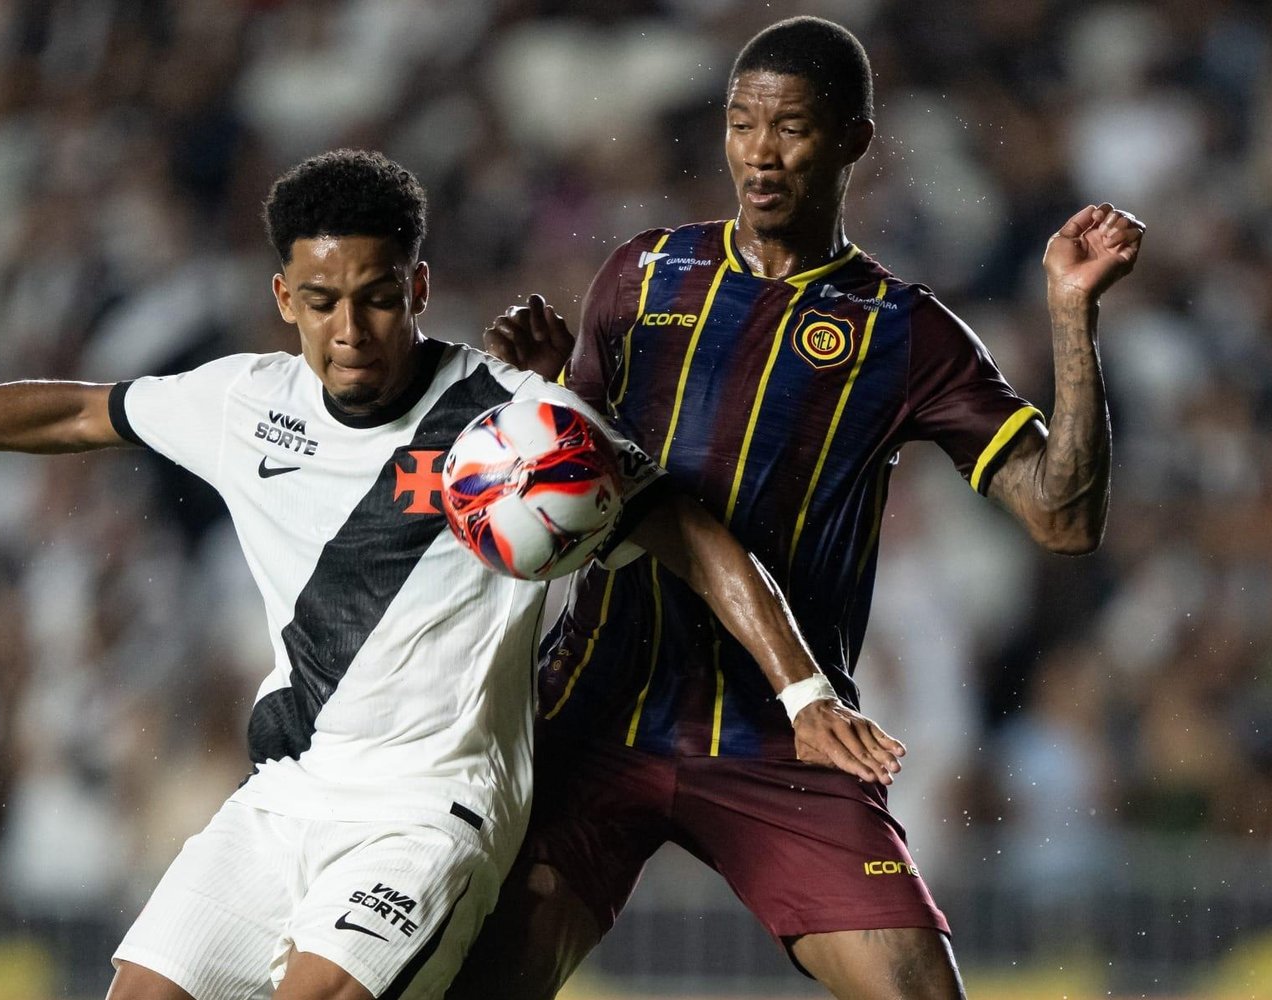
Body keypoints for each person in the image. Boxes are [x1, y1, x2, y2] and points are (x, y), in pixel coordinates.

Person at [0, 149, 906, 1000]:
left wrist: (804, 691)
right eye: (321, 302)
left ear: (418, 288)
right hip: (286, 798)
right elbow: (75, 412)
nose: (349, 327)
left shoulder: (517, 427)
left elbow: (691, 534)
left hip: (432, 811)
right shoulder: (243, 401)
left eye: (375, 295)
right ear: (285, 299)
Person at [453, 16, 1145, 1000]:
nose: (761, 154)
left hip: (784, 738)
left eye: (791, 127)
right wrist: (547, 394)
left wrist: (1073, 318)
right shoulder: (640, 275)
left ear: (853, 139)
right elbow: (588, 490)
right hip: (599, 714)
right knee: (478, 984)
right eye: (742, 125)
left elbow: (1062, 519)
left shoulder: (905, 332)